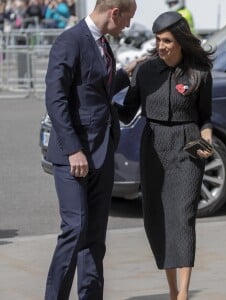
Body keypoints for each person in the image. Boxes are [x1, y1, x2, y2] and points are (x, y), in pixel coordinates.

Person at [116, 11, 214, 300]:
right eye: (158, 40)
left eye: (168, 40)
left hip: (188, 145)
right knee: (156, 218)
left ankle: (183, 293)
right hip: (154, 145)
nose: (162, 46)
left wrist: (206, 133)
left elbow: (206, 116)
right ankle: (172, 290)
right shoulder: (146, 71)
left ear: (181, 41)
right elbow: (126, 110)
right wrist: (101, 104)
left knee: (182, 216)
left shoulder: (200, 72)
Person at [44, 0, 137, 299]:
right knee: (75, 229)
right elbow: (55, 99)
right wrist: (73, 149)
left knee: (95, 236)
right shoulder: (69, 41)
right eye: (128, 18)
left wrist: (127, 72)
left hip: (102, 151)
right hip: (74, 155)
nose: (128, 25)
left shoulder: (103, 43)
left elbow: (95, 89)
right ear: (114, 12)